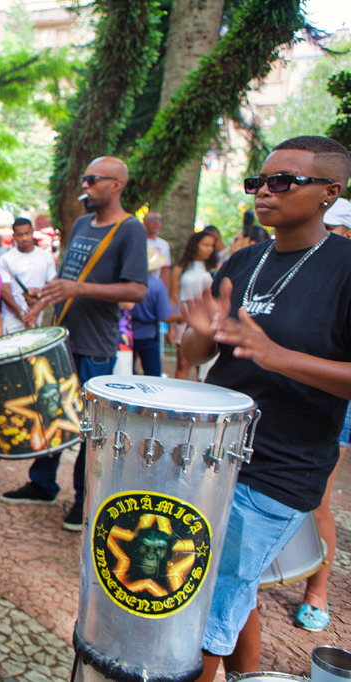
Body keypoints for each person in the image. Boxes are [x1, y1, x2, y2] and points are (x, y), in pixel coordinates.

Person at [183, 136, 351, 680]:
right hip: (213, 453)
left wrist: (279, 358)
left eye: (283, 182)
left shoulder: (346, 268)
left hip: (280, 465)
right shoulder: (244, 259)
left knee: (209, 605)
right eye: (258, 182)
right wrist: (201, 334)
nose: (264, 193)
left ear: (331, 190)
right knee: (217, 583)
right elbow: (196, 353)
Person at [0, 156, 147, 532]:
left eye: (91, 179)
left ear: (116, 185)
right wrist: (43, 300)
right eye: (84, 178)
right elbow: (67, 279)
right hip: (62, 335)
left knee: (88, 426)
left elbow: (136, 290)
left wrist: (78, 288)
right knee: (49, 411)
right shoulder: (82, 224)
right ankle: (42, 483)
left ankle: (83, 501)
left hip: (96, 343)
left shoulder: (131, 230)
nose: (84, 185)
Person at [293, 195, 351, 632]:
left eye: (330, 231)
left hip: (333, 408)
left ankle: (317, 589)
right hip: (280, 402)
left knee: (317, 502)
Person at [0, 217, 57, 334]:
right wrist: (21, 313)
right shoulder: (6, 259)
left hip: (37, 317)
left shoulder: (46, 256)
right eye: (20, 235)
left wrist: (36, 310)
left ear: (32, 232)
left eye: (27, 233)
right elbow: (4, 290)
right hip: (12, 319)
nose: (24, 238)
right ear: (14, 236)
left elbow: (52, 287)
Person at [170, 230, 217, 380]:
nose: (209, 249)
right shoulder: (180, 269)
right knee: (183, 363)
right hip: (183, 318)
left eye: (212, 245)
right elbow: (173, 297)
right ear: (195, 245)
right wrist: (170, 326)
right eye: (206, 245)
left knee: (203, 364)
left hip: (205, 319)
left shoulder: (212, 270)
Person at [130, 244, 180, 376]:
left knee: (128, 372)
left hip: (129, 334)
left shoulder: (128, 283)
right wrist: (182, 317)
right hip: (148, 335)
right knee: (152, 373)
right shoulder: (157, 285)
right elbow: (166, 315)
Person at [143, 210, 171, 280]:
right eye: (152, 219)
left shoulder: (164, 245)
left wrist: (164, 290)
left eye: (159, 220)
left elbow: (165, 271)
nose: (156, 222)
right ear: (145, 222)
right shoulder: (138, 241)